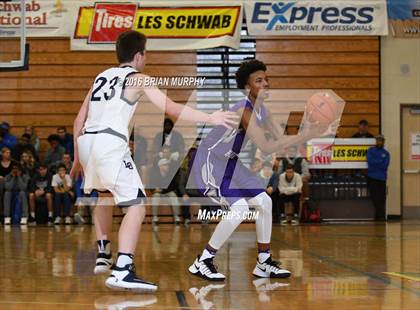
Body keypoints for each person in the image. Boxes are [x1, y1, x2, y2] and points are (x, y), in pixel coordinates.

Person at [70, 30, 238, 291]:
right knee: (136, 206)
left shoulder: (100, 77)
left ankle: (103, 252)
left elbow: (78, 121)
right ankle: (123, 268)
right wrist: (211, 118)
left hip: (87, 143)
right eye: (145, 54)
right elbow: (170, 108)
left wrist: (76, 159)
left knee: (104, 195)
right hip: (109, 142)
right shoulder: (139, 78)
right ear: (139, 55)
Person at [187, 59, 336, 281]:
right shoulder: (243, 111)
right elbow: (266, 146)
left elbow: (281, 139)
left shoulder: (263, 111)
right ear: (248, 88)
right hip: (210, 162)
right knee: (238, 209)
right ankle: (203, 261)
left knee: (265, 202)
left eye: (266, 79)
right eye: (259, 80)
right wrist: (308, 133)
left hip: (231, 162)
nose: (266, 83)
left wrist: (315, 131)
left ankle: (263, 262)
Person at [150, 158, 181, 225]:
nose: (168, 166)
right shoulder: (155, 174)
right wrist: (154, 189)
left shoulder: (171, 174)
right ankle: (155, 217)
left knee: (173, 195)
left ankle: (176, 217)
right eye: (165, 165)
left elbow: (173, 186)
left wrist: (162, 189)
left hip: (168, 192)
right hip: (158, 193)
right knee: (156, 197)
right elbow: (150, 184)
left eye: (168, 165)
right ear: (160, 166)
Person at [366, 135, 390, 220]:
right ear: (376, 141)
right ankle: (381, 216)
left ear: (383, 142)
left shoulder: (386, 153)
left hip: (382, 178)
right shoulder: (370, 150)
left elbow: (385, 165)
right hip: (372, 177)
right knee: (375, 197)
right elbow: (370, 161)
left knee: (382, 198)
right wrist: (380, 161)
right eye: (378, 140)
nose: (379, 142)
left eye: (381, 140)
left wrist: (376, 163)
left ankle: (378, 216)